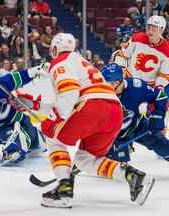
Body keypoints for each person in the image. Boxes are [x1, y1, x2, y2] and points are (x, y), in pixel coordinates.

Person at [18, 33, 155, 208]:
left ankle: (64, 190)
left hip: (92, 107)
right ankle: (134, 177)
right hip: (113, 111)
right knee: (85, 159)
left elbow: (68, 96)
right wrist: (39, 106)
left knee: (51, 135)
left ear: (53, 49)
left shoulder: (60, 61)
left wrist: (47, 115)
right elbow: (70, 97)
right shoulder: (82, 62)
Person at [101, 63, 169, 162]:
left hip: (138, 125)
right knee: (115, 161)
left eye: (109, 84)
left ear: (117, 82)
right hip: (114, 132)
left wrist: (157, 116)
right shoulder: (101, 94)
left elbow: (160, 96)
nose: (106, 88)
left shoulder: (136, 86)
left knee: (163, 146)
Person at [113, 15, 169, 94]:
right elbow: (122, 55)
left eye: (154, 28)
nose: (150, 31)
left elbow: (165, 75)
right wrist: (121, 70)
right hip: (128, 82)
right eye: (149, 27)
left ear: (161, 30)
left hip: (148, 88)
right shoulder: (137, 38)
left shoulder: (167, 49)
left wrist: (158, 85)